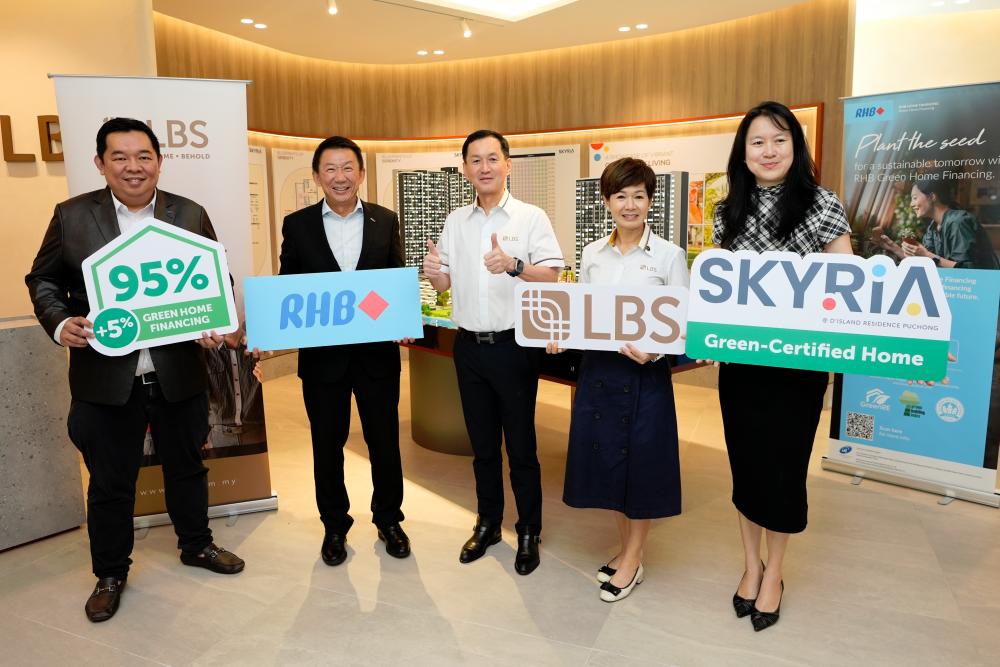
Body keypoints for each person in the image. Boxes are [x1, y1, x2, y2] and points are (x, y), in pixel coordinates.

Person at [24, 117, 245, 623]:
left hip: (177, 371)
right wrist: (61, 325)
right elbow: (43, 279)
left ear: (159, 161)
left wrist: (216, 318)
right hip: (106, 374)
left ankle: (196, 544)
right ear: (100, 163)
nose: (133, 166)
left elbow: (216, 274)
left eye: (143, 156)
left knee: (187, 466)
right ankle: (110, 571)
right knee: (109, 479)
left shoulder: (188, 213)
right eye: (119, 157)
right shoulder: (73, 216)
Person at [712, 101, 852, 631]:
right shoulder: (730, 211)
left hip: (799, 367)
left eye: (779, 140)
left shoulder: (822, 205)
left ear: (796, 147)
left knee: (784, 469)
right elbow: (721, 293)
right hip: (743, 364)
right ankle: (751, 567)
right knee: (746, 465)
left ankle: (776, 574)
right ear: (743, 153)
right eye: (757, 142)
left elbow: (847, 289)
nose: (768, 151)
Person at [422, 129, 564, 575]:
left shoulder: (530, 217)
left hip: (514, 347)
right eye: (475, 160)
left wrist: (514, 266)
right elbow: (445, 283)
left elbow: (553, 275)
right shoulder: (455, 221)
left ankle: (528, 531)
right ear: (464, 168)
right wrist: (434, 274)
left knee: (521, 447)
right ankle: (487, 523)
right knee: (482, 447)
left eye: (492, 158)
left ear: (508, 164)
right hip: (468, 348)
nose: (484, 167)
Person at [548, 157, 687, 602]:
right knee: (610, 463)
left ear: (650, 201)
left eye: (639, 196)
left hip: (645, 375)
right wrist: (560, 336)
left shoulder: (669, 255)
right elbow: (585, 314)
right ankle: (628, 547)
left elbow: (683, 323)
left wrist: (658, 349)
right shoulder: (591, 253)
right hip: (601, 374)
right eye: (621, 196)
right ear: (607, 201)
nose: (630, 205)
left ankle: (632, 558)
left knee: (641, 466)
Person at [279, 136, 410, 566]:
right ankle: (334, 526)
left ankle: (389, 519)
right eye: (330, 169)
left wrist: (404, 322)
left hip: (376, 358)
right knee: (326, 445)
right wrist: (268, 326)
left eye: (348, 167)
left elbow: (394, 283)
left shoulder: (385, 221)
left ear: (362, 173)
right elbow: (288, 290)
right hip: (323, 361)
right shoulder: (297, 225)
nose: (340, 176)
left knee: (385, 442)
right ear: (317, 176)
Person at [876, 177, 999, 269]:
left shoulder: (958, 222)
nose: (911, 204)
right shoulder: (933, 228)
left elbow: (967, 271)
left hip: (980, 292)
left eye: (914, 198)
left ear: (932, 197)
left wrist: (926, 254)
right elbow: (926, 263)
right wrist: (894, 247)